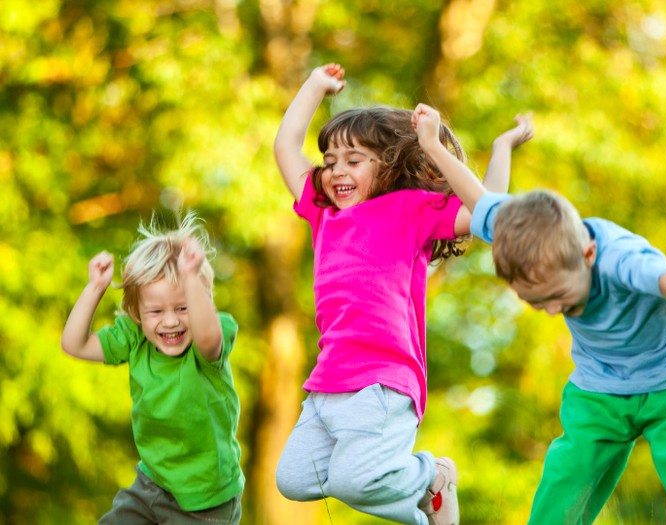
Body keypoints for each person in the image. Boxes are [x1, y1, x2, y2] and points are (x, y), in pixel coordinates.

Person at [414, 103, 666, 524]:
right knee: (569, 472)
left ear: (588, 255)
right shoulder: (525, 238)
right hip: (601, 384)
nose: (553, 310)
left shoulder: (617, 257)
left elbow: (665, 277)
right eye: (536, 302)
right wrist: (435, 143)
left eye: (559, 297)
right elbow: (480, 198)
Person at [273, 63, 532, 525]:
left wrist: (478, 147)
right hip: (328, 380)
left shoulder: (407, 211)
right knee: (294, 479)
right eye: (330, 161)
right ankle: (422, 495)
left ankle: (431, 476)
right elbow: (285, 147)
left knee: (354, 480)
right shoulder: (322, 212)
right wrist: (314, 85)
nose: (336, 171)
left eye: (354, 160)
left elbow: (488, 207)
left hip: (383, 380)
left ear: (388, 165)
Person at [61, 212, 244, 525]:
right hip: (151, 485)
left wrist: (190, 278)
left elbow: (208, 338)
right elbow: (74, 345)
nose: (170, 321)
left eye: (183, 307)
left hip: (207, 499)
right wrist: (95, 288)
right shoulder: (134, 338)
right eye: (156, 311)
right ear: (137, 313)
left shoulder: (211, 336)